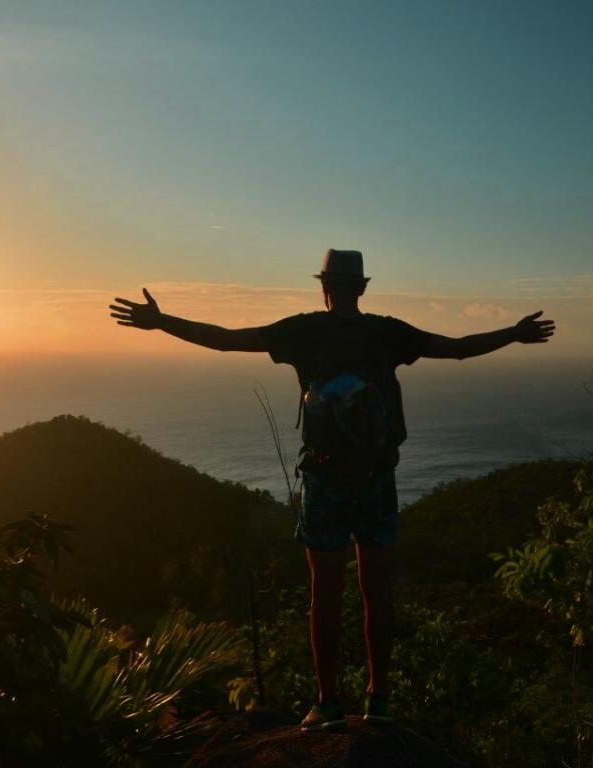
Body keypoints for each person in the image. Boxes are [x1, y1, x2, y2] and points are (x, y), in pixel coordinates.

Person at [109, 249, 555, 731]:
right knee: (376, 593)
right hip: (376, 479)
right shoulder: (386, 331)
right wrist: (513, 333)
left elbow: (223, 341)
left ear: (324, 287)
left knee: (325, 594)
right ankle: (378, 700)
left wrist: (161, 321)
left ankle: (326, 702)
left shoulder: (303, 331)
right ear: (361, 288)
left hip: (324, 479)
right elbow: (459, 347)